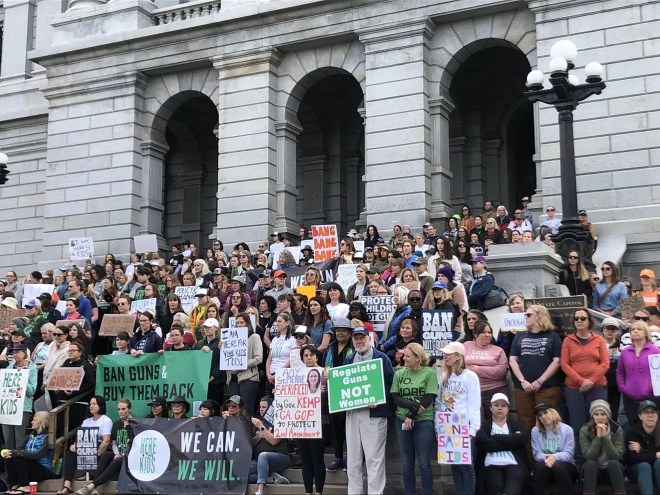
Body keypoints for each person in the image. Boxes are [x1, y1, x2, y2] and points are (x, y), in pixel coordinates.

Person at [343, 326, 394, 495]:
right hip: (353, 413)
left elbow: (391, 386)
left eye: (362, 338)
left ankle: (375, 493)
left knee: (374, 458)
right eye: (356, 338)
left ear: (369, 338)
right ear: (352, 340)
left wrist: (379, 399)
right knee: (353, 460)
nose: (359, 341)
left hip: (374, 414)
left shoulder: (382, 358)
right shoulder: (349, 359)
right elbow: (342, 387)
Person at [391, 342, 438, 495]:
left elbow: (429, 397)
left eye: (408, 356)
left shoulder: (429, 373)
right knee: (406, 461)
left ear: (418, 358)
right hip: (401, 420)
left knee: (424, 461)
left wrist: (411, 415)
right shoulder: (399, 373)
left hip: (423, 421)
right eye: (404, 355)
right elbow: (395, 397)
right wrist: (412, 405)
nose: (404, 358)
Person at [509, 304, 562, 434]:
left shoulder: (553, 336)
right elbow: (512, 360)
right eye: (524, 315)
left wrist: (540, 381)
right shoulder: (520, 336)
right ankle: (529, 454)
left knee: (548, 422)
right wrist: (522, 380)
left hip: (547, 387)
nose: (525, 317)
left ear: (539, 316)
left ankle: (550, 454)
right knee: (525, 424)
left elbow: (557, 361)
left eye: (528, 315)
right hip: (522, 388)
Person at [436, 341, 480, 494]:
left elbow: (475, 404)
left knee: (466, 466)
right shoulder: (444, 376)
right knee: (454, 464)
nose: (445, 356)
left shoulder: (470, 377)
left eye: (448, 354)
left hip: (464, 426)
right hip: (447, 425)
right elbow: (439, 403)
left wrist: (472, 429)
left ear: (458, 356)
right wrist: (438, 427)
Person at [560, 308, 609, 442]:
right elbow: (564, 364)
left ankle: (598, 457)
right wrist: (581, 381)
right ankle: (579, 458)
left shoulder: (598, 339)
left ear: (589, 321)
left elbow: (605, 363)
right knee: (577, 424)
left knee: (598, 423)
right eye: (576, 318)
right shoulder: (568, 340)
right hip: (574, 389)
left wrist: (591, 381)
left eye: (583, 318)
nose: (579, 321)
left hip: (597, 387)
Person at [74, 399, 134, 495]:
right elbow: (113, 441)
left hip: (129, 456)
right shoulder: (116, 424)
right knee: (106, 455)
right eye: (119, 409)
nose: (121, 412)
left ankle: (91, 486)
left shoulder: (135, 423)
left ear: (129, 409)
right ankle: (93, 488)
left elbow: (134, 443)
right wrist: (117, 453)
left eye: (123, 409)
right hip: (118, 453)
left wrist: (130, 428)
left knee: (117, 461)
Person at [474, 393, 528, 495]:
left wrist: (494, 437)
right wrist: (511, 440)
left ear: (508, 409)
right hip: (491, 463)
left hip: (513, 463)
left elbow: (522, 440)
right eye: (496, 405)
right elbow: (482, 442)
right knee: (495, 488)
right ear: (490, 407)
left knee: (513, 488)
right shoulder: (484, 425)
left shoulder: (516, 424)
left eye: (503, 406)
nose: (500, 408)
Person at [58, 396, 113, 495]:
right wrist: (74, 445)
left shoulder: (106, 420)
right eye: (90, 404)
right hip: (85, 446)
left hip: (98, 447)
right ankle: (67, 485)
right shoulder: (86, 421)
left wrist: (97, 455)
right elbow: (80, 436)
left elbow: (106, 441)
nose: (91, 406)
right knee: (71, 453)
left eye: (94, 404)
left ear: (101, 406)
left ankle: (91, 476)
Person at [324, 317, 355, 472]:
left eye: (344, 330)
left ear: (350, 333)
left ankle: (351, 458)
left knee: (348, 426)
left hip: (350, 392)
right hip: (333, 391)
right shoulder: (330, 347)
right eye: (338, 330)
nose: (340, 333)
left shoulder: (354, 348)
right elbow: (325, 367)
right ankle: (338, 458)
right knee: (336, 426)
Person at [617, 320, 660, 427]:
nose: (635, 331)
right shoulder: (625, 352)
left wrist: (651, 388)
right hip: (630, 398)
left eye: (639, 329)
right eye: (632, 329)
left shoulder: (655, 351)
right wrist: (623, 387)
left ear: (645, 332)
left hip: (651, 398)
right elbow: (620, 372)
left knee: (651, 427)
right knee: (633, 427)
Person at [579, 399, 626, 495]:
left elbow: (617, 456)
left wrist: (604, 437)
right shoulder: (585, 430)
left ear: (608, 415)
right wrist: (598, 437)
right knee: (590, 463)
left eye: (603, 414)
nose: (600, 417)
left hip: (613, 472)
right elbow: (588, 456)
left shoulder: (617, 430)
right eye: (596, 414)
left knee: (614, 463)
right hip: (593, 473)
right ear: (592, 415)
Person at [297, 345, 326, 495]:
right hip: (301, 424)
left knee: (317, 458)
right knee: (305, 459)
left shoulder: (324, 373)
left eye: (311, 355)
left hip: (319, 422)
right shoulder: (296, 375)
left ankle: (319, 491)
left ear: (317, 357)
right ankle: (308, 492)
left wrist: (325, 391)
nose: (308, 358)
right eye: (305, 355)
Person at [3, 411, 54, 495]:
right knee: (11, 456)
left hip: (43, 469)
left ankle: (25, 485)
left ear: (41, 421)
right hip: (29, 467)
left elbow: (37, 455)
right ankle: (14, 484)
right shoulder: (31, 435)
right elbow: (19, 448)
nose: (31, 422)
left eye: (34, 420)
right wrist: (12, 453)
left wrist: (19, 453)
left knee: (19, 456)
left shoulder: (47, 437)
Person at [531, 403, 577, 493]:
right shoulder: (535, 431)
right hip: (545, 465)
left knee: (557, 466)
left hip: (566, 466)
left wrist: (554, 457)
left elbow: (569, 454)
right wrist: (549, 458)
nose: (543, 416)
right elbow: (536, 454)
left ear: (553, 412)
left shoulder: (567, 429)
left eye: (545, 412)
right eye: (540, 415)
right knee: (541, 466)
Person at [249, 397, 291, 495]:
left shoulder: (281, 421)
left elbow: (274, 441)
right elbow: (251, 444)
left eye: (264, 407)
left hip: (280, 457)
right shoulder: (257, 424)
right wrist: (259, 436)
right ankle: (272, 478)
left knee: (263, 455)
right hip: (259, 461)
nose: (261, 409)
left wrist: (261, 427)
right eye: (260, 407)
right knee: (242, 471)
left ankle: (260, 490)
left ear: (271, 409)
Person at [464, 321, 508, 412]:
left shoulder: (498, 350)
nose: (487, 335)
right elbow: (460, 366)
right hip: (470, 390)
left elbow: (501, 371)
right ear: (476, 334)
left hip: (494, 389)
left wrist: (478, 369)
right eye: (483, 332)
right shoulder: (466, 346)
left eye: (489, 332)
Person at [1, 344, 37, 450]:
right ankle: (9, 464)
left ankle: (19, 464)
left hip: (22, 408)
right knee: (7, 439)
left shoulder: (32, 368)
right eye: (13, 352)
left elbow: (32, 391)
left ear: (24, 353)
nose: (15, 354)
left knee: (19, 440)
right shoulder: (10, 366)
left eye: (18, 352)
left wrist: (22, 377)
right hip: (7, 408)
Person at [226, 312, 263, 416]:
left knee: (247, 409)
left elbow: (258, 358)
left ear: (247, 323)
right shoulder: (230, 338)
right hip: (232, 379)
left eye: (241, 322)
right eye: (237, 323)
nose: (239, 325)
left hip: (248, 378)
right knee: (234, 409)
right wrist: (222, 348)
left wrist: (242, 365)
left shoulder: (254, 337)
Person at [625, 400, 660, 495]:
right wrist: (656, 455)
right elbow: (633, 458)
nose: (650, 415)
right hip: (636, 471)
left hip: (657, 469)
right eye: (646, 412)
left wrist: (641, 450)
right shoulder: (632, 432)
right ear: (640, 416)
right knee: (644, 466)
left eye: (653, 412)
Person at [194, 318, 224, 405]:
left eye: (209, 327)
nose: (206, 329)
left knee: (215, 406)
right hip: (201, 382)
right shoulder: (199, 344)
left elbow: (222, 362)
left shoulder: (221, 343)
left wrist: (213, 376)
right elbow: (194, 360)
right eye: (205, 327)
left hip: (216, 382)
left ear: (215, 328)